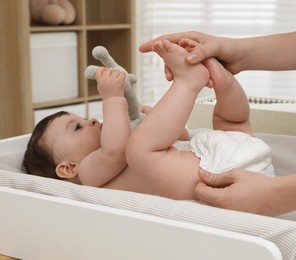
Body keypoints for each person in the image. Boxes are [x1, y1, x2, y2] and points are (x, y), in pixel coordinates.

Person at [139, 0, 296, 216]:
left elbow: (110, 156)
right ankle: (221, 82)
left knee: (140, 152)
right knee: (224, 126)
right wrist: (239, 53)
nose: (98, 122)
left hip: (220, 170)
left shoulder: (100, 169)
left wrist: (280, 195)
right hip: (224, 159)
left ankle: (188, 83)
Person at [23, 40, 274, 201]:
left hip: (217, 164)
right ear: (68, 168)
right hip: (220, 175)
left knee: (229, 125)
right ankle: (190, 82)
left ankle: (223, 81)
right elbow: (116, 150)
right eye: (77, 127)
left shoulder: (115, 149)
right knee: (139, 150)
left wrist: (154, 120)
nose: (91, 122)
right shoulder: (87, 176)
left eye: (85, 119)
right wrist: (112, 98)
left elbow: (182, 138)